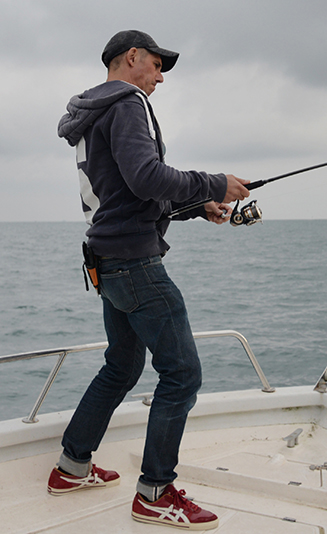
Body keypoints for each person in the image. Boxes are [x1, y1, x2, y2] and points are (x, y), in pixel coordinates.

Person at [51, 30, 250, 530]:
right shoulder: (128, 101)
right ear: (132, 58)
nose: (161, 77)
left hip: (107, 257)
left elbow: (125, 192)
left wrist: (194, 208)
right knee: (182, 374)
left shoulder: (93, 114)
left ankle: (73, 466)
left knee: (121, 367)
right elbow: (146, 176)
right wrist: (214, 183)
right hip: (135, 263)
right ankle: (156, 493)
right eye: (158, 66)